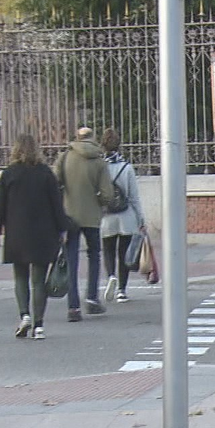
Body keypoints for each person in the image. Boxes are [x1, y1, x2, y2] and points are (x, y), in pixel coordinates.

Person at [0, 133, 68, 340]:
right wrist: (63, 229)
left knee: (20, 276)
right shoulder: (45, 174)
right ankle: (39, 325)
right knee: (39, 280)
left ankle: (24, 315)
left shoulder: (8, 174)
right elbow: (57, 205)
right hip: (43, 233)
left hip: (17, 232)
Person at [53, 126, 115, 322]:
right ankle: (92, 298)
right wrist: (100, 202)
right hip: (92, 217)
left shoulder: (65, 156)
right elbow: (107, 194)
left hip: (69, 214)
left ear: (76, 137)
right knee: (94, 254)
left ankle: (73, 307)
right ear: (92, 138)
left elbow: (55, 181)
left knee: (71, 257)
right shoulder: (99, 160)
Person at [98, 127, 146, 304]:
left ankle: (111, 275)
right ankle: (122, 290)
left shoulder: (99, 167)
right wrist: (141, 219)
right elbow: (134, 197)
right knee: (124, 254)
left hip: (106, 216)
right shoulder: (127, 168)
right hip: (126, 216)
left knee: (108, 250)